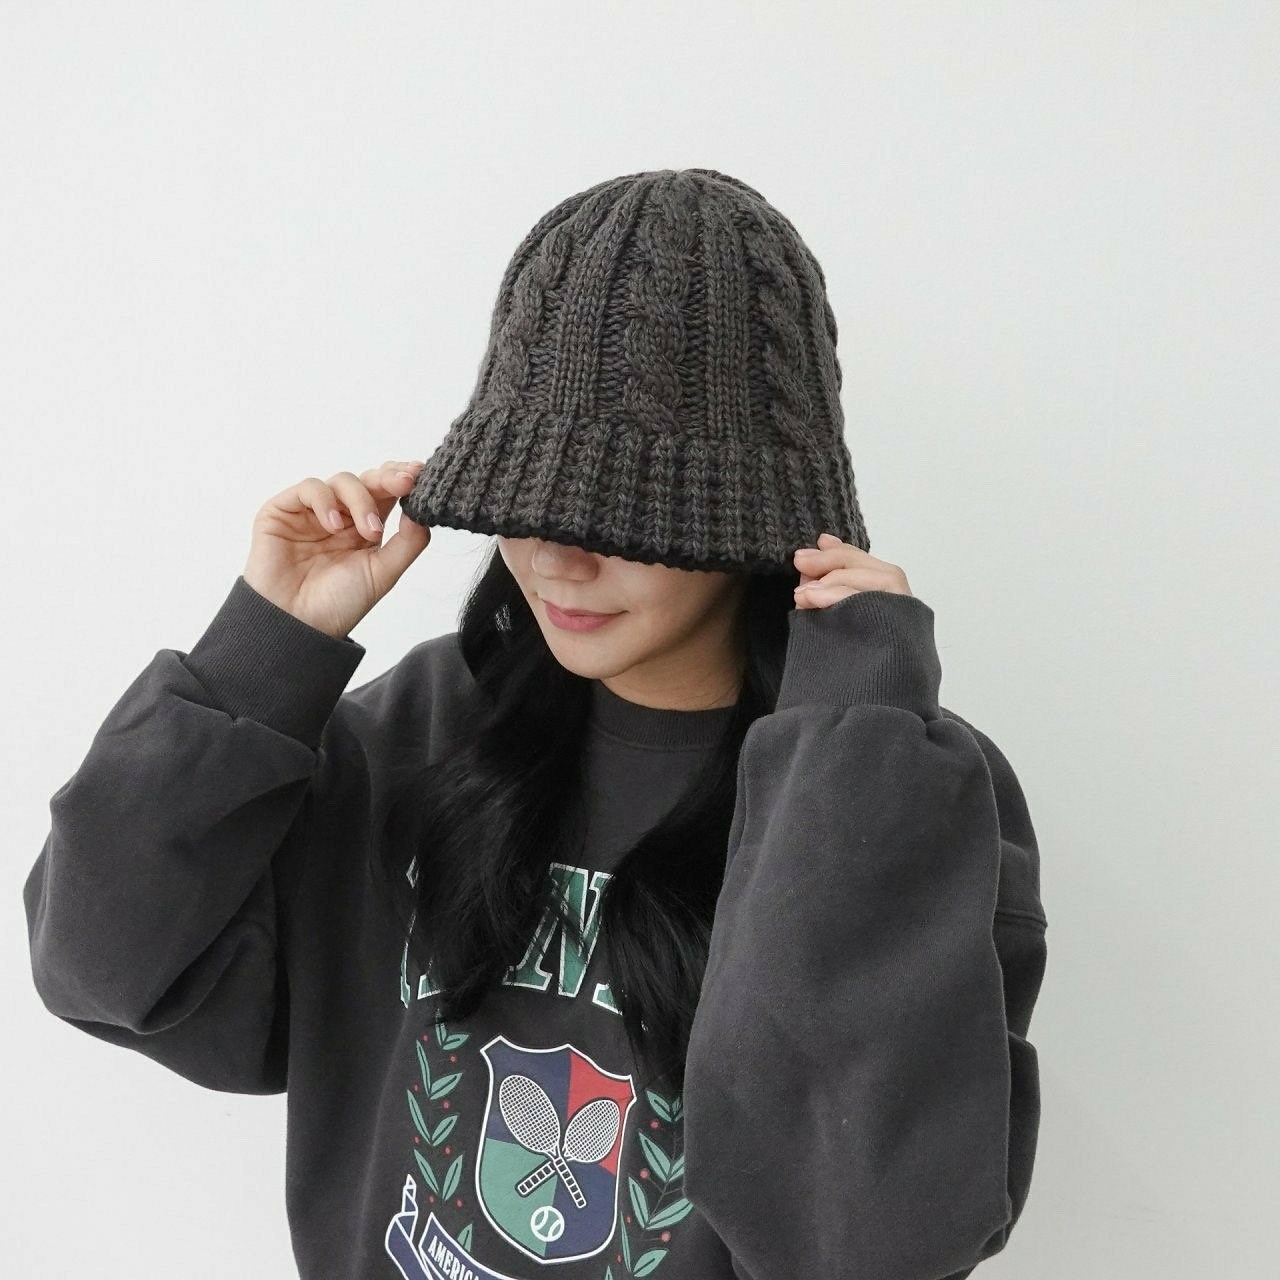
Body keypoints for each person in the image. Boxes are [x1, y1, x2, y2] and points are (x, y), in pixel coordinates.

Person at [21, 168, 1049, 1280]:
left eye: (621, 515)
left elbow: (871, 1240)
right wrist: (261, 659)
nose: (558, 558)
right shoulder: (422, 728)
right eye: (528, 501)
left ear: (747, 518)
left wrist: (854, 750)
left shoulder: (894, 786)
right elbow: (103, 969)